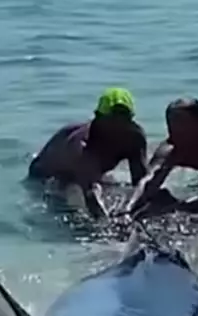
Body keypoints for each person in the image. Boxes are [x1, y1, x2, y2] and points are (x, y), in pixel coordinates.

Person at [26, 87, 149, 219]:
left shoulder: (135, 138)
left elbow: (140, 181)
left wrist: (134, 210)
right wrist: (107, 224)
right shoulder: (82, 146)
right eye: (112, 119)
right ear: (98, 118)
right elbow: (89, 196)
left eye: (124, 119)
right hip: (47, 172)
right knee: (69, 209)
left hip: (86, 169)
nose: (118, 126)